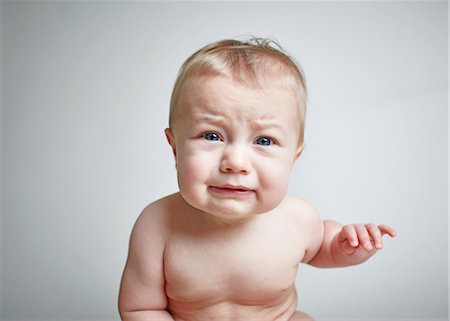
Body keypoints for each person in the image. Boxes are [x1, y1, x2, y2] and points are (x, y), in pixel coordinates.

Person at [118, 38, 396, 321]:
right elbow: (141, 308)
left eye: (264, 140)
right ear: (175, 147)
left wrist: (344, 247)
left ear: (293, 157)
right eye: (212, 136)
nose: (235, 163)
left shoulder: (298, 218)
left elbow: (322, 246)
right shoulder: (157, 225)